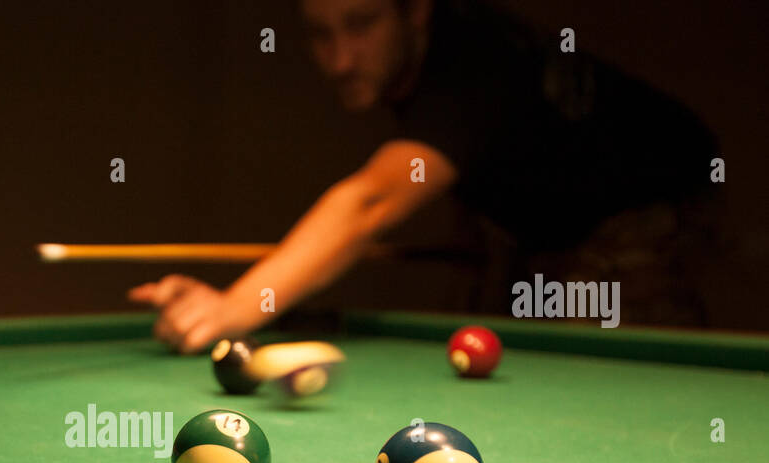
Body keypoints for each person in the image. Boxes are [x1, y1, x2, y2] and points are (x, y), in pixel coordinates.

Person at [130, 0, 720, 352]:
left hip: (646, 208)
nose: (337, 59)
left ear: (416, 13)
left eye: (359, 25)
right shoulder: (434, 76)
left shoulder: (473, 60)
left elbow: (370, 202)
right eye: (320, 32)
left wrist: (236, 304)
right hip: (539, 225)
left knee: (600, 361)